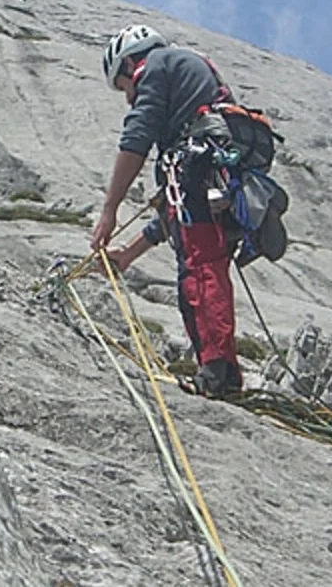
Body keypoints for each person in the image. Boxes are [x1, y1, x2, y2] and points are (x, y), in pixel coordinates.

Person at [90, 24, 243, 398]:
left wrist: (110, 210)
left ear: (129, 63)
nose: (129, 98)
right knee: (202, 263)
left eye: (125, 88)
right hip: (213, 184)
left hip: (201, 181)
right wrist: (128, 253)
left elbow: (137, 135)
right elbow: (172, 217)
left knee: (199, 273)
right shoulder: (192, 74)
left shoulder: (155, 65)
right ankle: (221, 370)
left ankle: (216, 373)